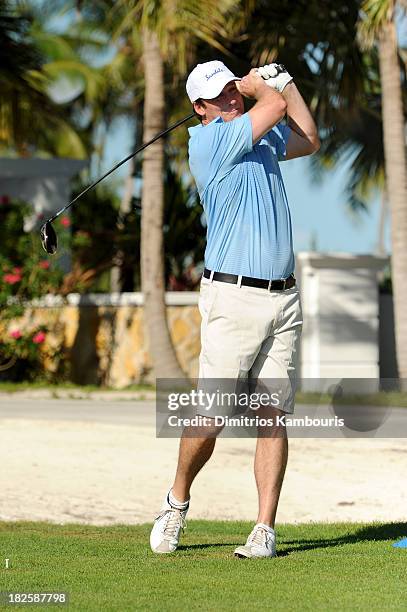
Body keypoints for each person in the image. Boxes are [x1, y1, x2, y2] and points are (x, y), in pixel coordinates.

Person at [150, 60, 320, 558]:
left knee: (272, 414)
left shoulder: (260, 138)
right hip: (232, 296)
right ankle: (177, 500)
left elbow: (309, 137)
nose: (231, 97)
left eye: (232, 89)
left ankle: (264, 528)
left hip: (283, 297)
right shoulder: (207, 143)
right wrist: (263, 86)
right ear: (200, 109)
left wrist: (283, 80)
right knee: (213, 412)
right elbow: (276, 106)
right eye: (221, 94)